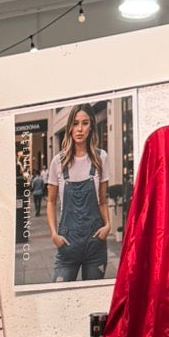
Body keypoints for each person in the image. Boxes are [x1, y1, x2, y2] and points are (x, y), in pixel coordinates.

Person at [44, 104, 112, 282]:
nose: (80, 129)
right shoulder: (58, 162)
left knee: (92, 296)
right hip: (67, 245)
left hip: (95, 245)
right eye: (75, 123)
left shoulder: (101, 158)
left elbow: (103, 201)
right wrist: (53, 234)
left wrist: (108, 226)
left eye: (85, 123)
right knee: (59, 293)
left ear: (91, 127)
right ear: (69, 128)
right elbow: (50, 202)